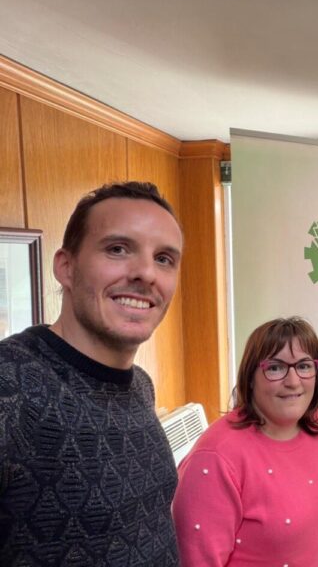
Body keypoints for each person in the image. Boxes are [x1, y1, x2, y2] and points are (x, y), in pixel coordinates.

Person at [0, 182, 183, 565]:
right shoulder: (9, 385)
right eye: (118, 249)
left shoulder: (140, 387)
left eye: (164, 258)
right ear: (66, 267)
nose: (146, 273)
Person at [172, 317, 318, 567]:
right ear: (250, 377)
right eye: (275, 368)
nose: (293, 381)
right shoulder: (215, 458)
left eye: (303, 366)